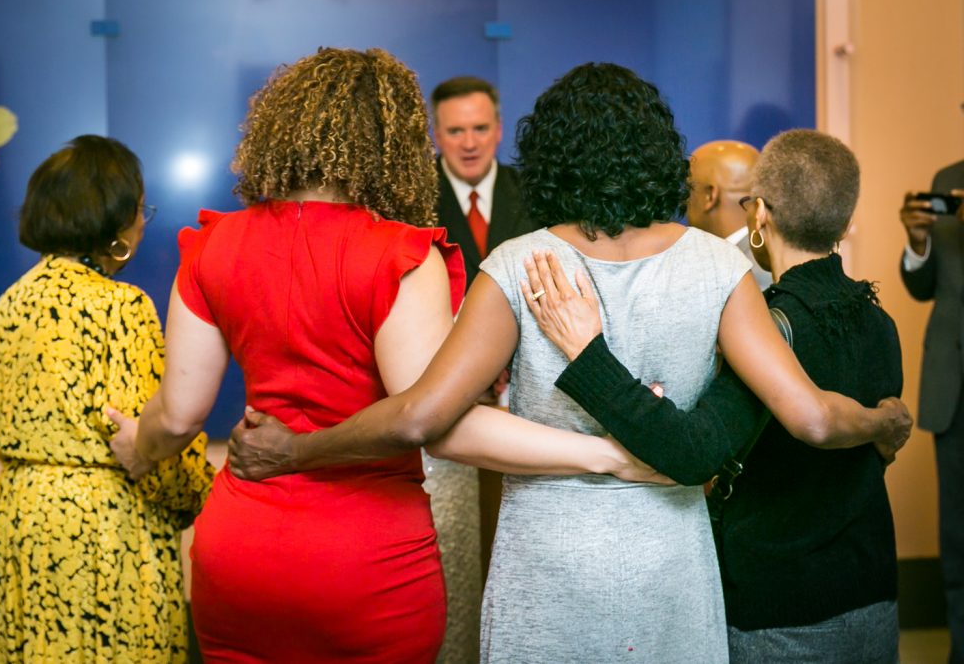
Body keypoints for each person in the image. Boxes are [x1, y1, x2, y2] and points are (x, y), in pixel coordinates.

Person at [223, 64, 910, 662]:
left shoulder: (518, 265)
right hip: (670, 560)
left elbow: (422, 415)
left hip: (548, 564)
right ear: (657, 152)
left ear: (549, 155)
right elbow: (810, 416)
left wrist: (299, 448)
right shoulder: (719, 269)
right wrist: (883, 419)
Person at [107, 48, 651, 663]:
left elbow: (178, 417)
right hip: (366, 558)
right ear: (392, 142)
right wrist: (608, 453)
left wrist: (136, 447)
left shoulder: (212, 246)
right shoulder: (399, 254)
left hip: (241, 549)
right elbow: (437, 422)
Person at [523, 129, 907, 663]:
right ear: (846, 222)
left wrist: (588, 357)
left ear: (761, 215)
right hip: (874, 596)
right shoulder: (879, 320)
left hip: (781, 610)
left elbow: (692, 450)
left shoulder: (767, 331)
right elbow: (872, 457)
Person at [0, 135, 214, 663]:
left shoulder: (10, 301)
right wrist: (197, 492)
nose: (142, 222)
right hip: (100, 533)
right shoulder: (121, 306)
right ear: (115, 223)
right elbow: (151, 435)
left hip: (19, 517)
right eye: (139, 210)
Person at [428, 75, 538, 663]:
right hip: (444, 396)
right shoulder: (413, 198)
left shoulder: (535, 194)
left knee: (510, 541)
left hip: (524, 394)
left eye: (479, 128)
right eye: (454, 130)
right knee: (451, 556)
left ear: (497, 129)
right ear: (436, 134)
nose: (468, 142)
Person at [900, 159, 964, 664]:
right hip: (954, 388)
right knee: (957, 537)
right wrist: (917, 241)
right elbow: (924, 288)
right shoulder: (945, 180)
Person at [686, 139, 773, 289]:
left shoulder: (748, 273)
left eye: (688, 189)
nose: (683, 200)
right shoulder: (767, 258)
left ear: (710, 196)